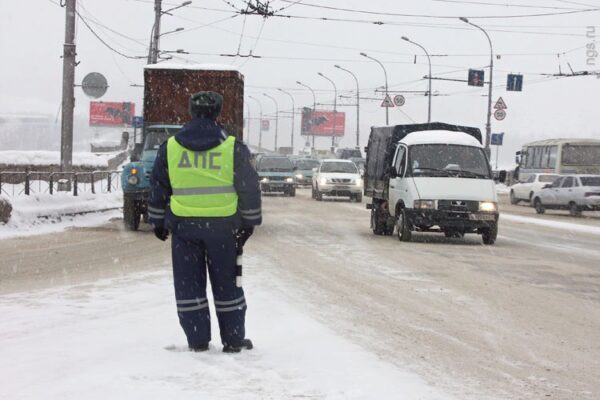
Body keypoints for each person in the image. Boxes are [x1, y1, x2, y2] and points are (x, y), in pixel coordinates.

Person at [148, 91, 262, 353]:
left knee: (189, 287)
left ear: (190, 112)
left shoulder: (171, 147)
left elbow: (158, 186)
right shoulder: (232, 147)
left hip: (184, 229)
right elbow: (249, 187)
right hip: (223, 229)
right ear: (218, 113)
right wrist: (249, 222)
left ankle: (198, 340)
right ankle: (233, 340)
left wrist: (158, 221)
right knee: (228, 286)